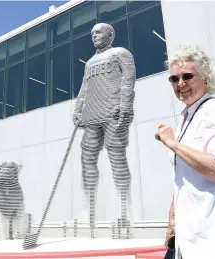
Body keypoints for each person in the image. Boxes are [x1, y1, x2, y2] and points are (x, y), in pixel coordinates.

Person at [155, 45, 215, 259]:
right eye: (174, 79)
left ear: (205, 78)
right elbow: (183, 176)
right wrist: (173, 219)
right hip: (192, 238)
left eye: (188, 76)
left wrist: (174, 144)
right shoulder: (188, 117)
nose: (181, 83)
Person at [73, 23, 135, 237]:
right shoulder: (89, 62)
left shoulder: (121, 53)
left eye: (98, 32)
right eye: (91, 33)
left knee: (117, 157)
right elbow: (84, 88)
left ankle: (124, 209)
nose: (94, 36)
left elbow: (128, 81)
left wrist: (126, 106)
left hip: (113, 112)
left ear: (110, 34)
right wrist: (78, 108)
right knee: (87, 159)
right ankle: (88, 209)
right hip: (91, 115)